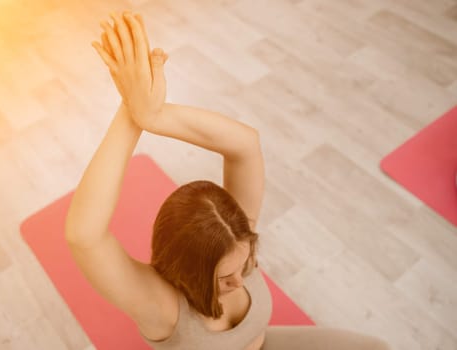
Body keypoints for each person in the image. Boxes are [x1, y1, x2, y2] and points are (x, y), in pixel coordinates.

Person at [64, 10, 392, 350]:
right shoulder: (159, 305)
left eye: (244, 264)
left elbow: (245, 146)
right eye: (223, 278)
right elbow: (84, 236)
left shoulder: (235, 241)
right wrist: (128, 114)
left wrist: (152, 114)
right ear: (186, 270)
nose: (240, 281)